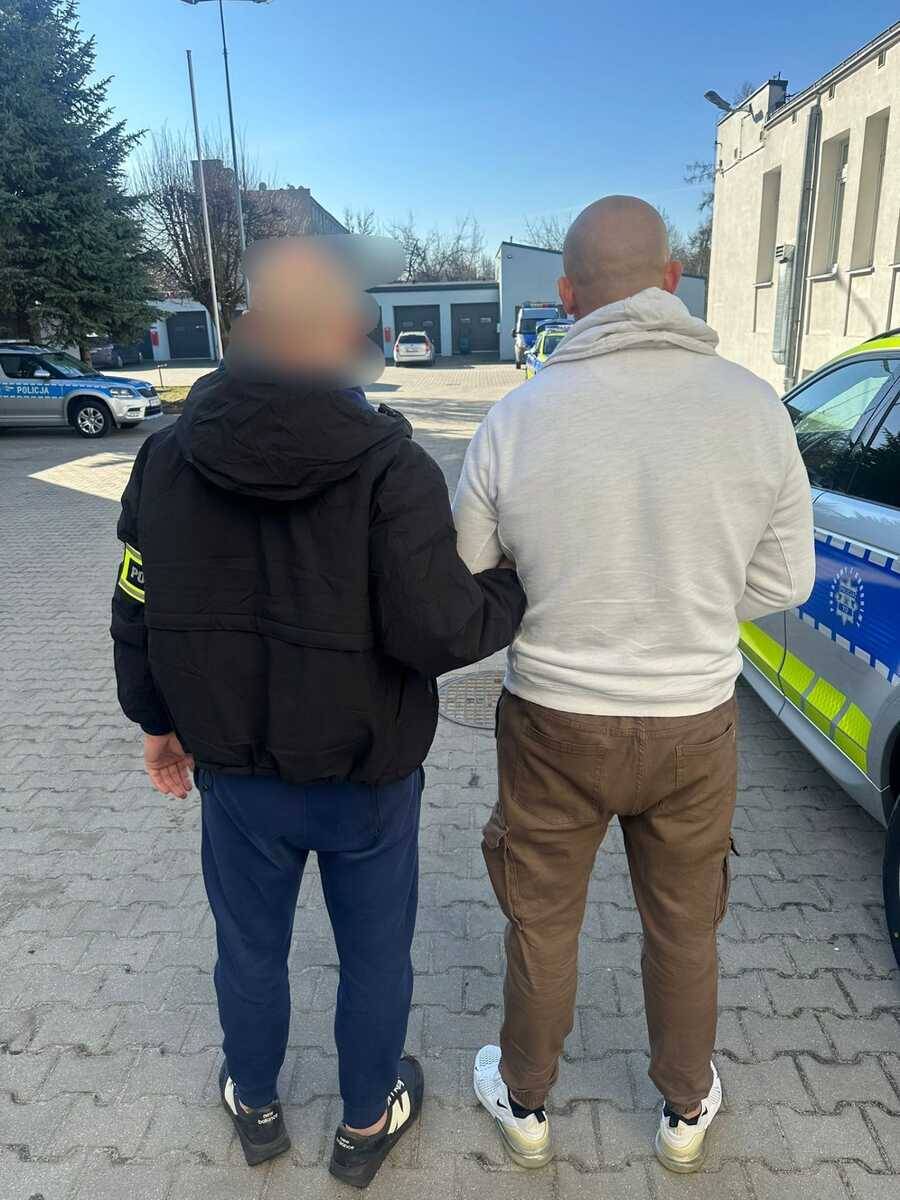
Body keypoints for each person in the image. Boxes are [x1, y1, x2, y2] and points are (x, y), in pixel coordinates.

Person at [110, 237, 525, 1189]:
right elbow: (438, 628)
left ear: (248, 327)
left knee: (248, 947)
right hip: (365, 778)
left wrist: (155, 721)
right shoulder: (393, 467)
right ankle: (366, 1120)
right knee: (374, 955)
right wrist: (510, 585)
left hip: (235, 777)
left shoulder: (164, 458)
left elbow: (136, 604)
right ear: (346, 337)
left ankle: (255, 1103)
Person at [452, 196, 815, 1173]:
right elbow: (788, 581)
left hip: (552, 720)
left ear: (567, 296)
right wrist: (693, 604)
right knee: (686, 926)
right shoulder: (752, 409)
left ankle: (526, 1101)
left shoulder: (516, 417)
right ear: (671, 280)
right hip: (694, 721)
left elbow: (470, 568)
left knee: (542, 921)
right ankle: (685, 1109)